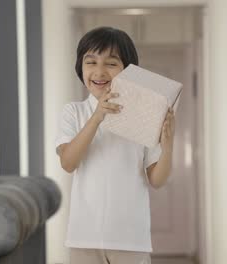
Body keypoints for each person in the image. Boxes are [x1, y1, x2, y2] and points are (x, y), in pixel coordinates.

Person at [55, 26, 175, 264]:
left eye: (111, 63)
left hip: (131, 239)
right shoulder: (74, 112)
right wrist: (97, 116)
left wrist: (168, 143)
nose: (99, 72)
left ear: (128, 71)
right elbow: (68, 162)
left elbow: (157, 179)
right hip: (83, 238)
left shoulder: (144, 115)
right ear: (81, 67)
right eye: (91, 62)